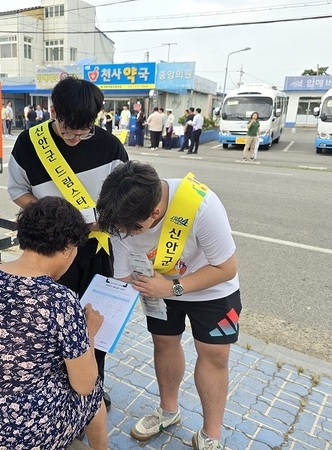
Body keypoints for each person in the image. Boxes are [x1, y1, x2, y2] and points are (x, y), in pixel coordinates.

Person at [96, 161, 241, 450]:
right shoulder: (122, 216)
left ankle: (210, 435)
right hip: (156, 287)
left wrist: (172, 287)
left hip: (212, 289)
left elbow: (226, 268)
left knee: (214, 356)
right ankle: (168, 411)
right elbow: (123, 276)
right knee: (163, 343)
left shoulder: (202, 205)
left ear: (155, 213)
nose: (126, 234)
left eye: (133, 229)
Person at [7, 76, 129, 411]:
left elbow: (125, 195)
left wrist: (105, 219)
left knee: (96, 320)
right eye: (67, 130)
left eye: (83, 131)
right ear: (53, 112)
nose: (75, 139)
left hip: (97, 248)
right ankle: (55, 386)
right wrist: (52, 217)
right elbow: (17, 190)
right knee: (49, 322)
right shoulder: (30, 144)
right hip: (50, 250)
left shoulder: (110, 147)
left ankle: (92, 387)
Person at [0, 197, 107, 450]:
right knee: (95, 394)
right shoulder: (60, 299)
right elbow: (83, 385)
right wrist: (88, 332)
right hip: (23, 438)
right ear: (66, 249)